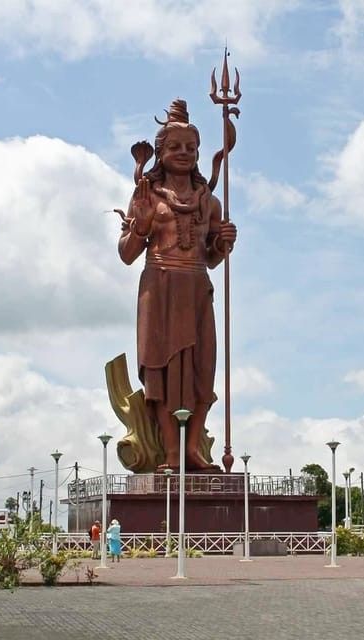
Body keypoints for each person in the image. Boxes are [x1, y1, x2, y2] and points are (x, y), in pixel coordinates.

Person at [118, 99, 237, 471]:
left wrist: (224, 243)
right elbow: (126, 253)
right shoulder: (147, 195)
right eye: (174, 147)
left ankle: (193, 450)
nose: (183, 153)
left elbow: (213, 259)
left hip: (197, 288)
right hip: (160, 287)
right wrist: (142, 222)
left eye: (191, 147)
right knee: (164, 375)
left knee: (202, 371)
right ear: (160, 153)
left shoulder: (210, 202)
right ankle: (170, 452)